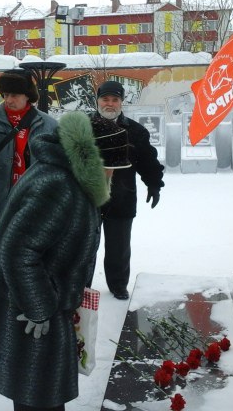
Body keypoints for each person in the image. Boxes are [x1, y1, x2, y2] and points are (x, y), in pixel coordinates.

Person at [0, 111, 111, 411]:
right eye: (111, 167)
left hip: (40, 292)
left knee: (39, 387)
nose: (112, 175)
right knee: (38, 387)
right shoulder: (58, 185)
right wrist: (39, 308)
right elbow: (18, 252)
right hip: (26, 303)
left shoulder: (66, 176)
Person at [92, 80, 164, 300]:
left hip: (121, 198)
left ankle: (118, 285)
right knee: (84, 247)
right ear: (98, 101)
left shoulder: (135, 131)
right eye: (105, 99)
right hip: (88, 200)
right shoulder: (84, 127)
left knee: (119, 247)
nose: (110, 104)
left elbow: (147, 160)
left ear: (121, 102)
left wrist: (154, 183)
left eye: (115, 99)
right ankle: (80, 285)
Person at [0, 68, 57, 241]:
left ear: (27, 95)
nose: (9, 100)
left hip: (36, 209)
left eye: (14, 95)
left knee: (31, 256)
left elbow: (57, 170)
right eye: (6, 94)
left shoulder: (49, 125)